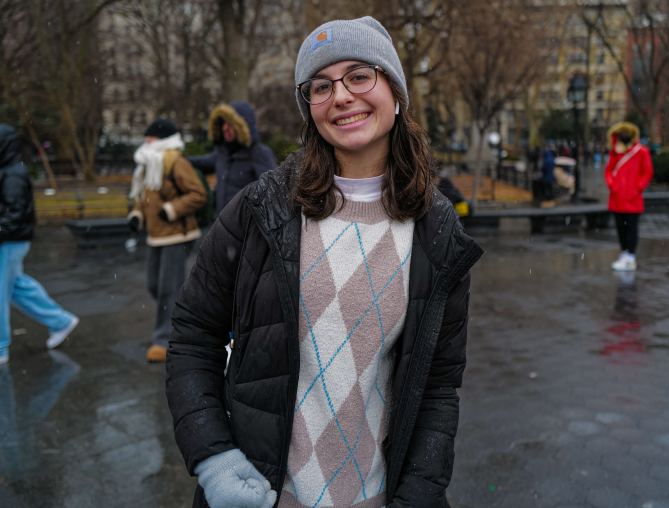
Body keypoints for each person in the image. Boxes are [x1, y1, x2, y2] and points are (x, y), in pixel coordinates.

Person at [166, 16, 483, 508]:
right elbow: (191, 337)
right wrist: (214, 459)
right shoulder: (259, 211)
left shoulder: (438, 234)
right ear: (309, 106)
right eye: (321, 85)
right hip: (264, 497)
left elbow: (438, 388)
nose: (341, 96)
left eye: (360, 76)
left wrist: (418, 494)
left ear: (395, 93)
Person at [127, 118, 206, 363]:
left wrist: (172, 209)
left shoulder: (175, 162)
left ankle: (164, 340)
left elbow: (198, 193)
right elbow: (145, 195)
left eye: (149, 139)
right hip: (156, 236)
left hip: (177, 235)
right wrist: (137, 214)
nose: (145, 142)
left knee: (167, 289)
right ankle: (189, 318)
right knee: (155, 286)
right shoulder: (148, 165)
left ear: (161, 140)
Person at [0, 124, 79, 365]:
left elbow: (13, 214)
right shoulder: (9, 170)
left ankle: (1, 347)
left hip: (10, 241)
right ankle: (61, 321)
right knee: (16, 287)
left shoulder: (12, 173)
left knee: (2, 291)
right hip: (11, 240)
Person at [189, 101, 277, 214]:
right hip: (221, 224)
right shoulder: (223, 152)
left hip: (245, 228)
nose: (225, 128)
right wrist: (177, 158)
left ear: (243, 127)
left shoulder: (259, 154)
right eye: (223, 123)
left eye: (230, 124)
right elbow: (202, 163)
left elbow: (273, 194)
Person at [604, 122, 653, 272]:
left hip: (633, 198)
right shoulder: (615, 153)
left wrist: (637, 188)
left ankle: (630, 256)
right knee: (620, 228)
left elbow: (647, 172)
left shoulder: (641, 152)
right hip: (617, 198)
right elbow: (608, 172)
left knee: (631, 228)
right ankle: (624, 253)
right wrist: (613, 185)